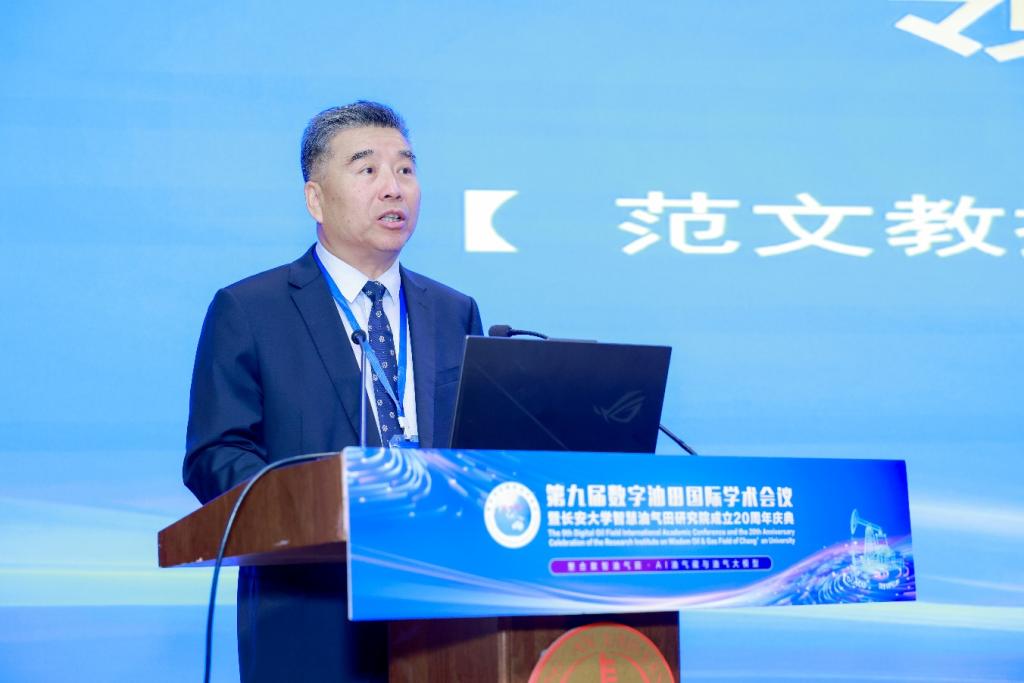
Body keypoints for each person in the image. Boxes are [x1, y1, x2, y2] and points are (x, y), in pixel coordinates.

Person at [183, 101, 483, 682]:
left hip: (443, 609)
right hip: (310, 612)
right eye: (368, 169)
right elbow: (215, 455)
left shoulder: (454, 311)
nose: (393, 187)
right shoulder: (251, 310)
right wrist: (315, 505)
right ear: (316, 199)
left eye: (405, 169)